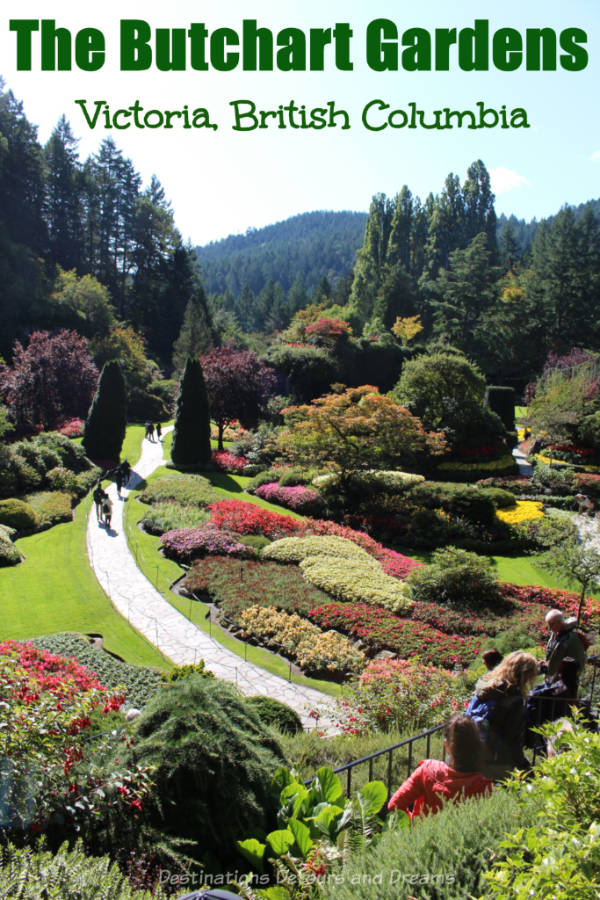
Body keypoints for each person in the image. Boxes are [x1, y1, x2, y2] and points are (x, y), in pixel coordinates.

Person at [387, 714, 492, 819]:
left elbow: (394, 805)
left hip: (422, 832)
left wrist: (412, 823)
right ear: (477, 744)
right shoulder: (485, 787)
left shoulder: (428, 770)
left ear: (446, 744)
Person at [466, 650, 539, 779]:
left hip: (472, 748)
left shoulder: (485, 685)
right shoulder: (513, 697)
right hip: (497, 758)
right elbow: (512, 738)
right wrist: (525, 767)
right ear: (524, 674)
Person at [542, 609, 586, 697]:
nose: (549, 628)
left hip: (564, 684)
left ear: (558, 623)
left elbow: (579, 661)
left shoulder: (569, 639)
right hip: (557, 682)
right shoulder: (558, 635)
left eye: (551, 624)